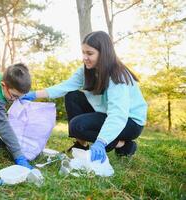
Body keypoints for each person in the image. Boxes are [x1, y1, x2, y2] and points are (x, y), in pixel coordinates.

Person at [21, 31, 147, 163]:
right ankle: (81, 145)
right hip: (106, 113)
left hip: (130, 121)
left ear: (103, 54)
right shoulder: (86, 70)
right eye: (83, 52)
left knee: (77, 126)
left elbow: (118, 114)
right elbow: (64, 87)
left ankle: (123, 145)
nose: (85, 57)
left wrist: (101, 141)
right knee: (72, 95)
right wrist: (33, 94)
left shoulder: (117, 76)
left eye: (90, 53)